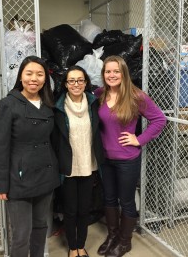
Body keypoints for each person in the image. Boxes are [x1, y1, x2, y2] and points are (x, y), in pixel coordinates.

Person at [94, 56, 167, 257]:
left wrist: (139, 139)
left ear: (123, 73)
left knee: (126, 200)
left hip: (127, 159)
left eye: (116, 71)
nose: (111, 75)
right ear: (103, 74)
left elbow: (159, 119)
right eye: (108, 71)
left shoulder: (136, 96)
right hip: (105, 158)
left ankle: (125, 242)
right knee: (108, 199)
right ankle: (112, 236)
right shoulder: (99, 94)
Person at [0, 56, 60, 257]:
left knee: (40, 227)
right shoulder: (8, 104)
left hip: (46, 175)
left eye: (39, 74)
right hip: (18, 178)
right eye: (29, 73)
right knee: (21, 234)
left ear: (45, 79)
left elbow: (54, 141)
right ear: (20, 76)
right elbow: (0, 147)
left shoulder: (48, 104)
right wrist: (1, 184)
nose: (34, 79)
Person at [52, 65, 105, 257]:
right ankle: (72, 247)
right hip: (68, 167)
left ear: (85, 83)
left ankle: (80, 246)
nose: (76, 84)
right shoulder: (58, 107)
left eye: (80, 80)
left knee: (84, 209)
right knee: (70, 210)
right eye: (71, 80)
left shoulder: (94, 104)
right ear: (66, 84)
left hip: (89, 165)